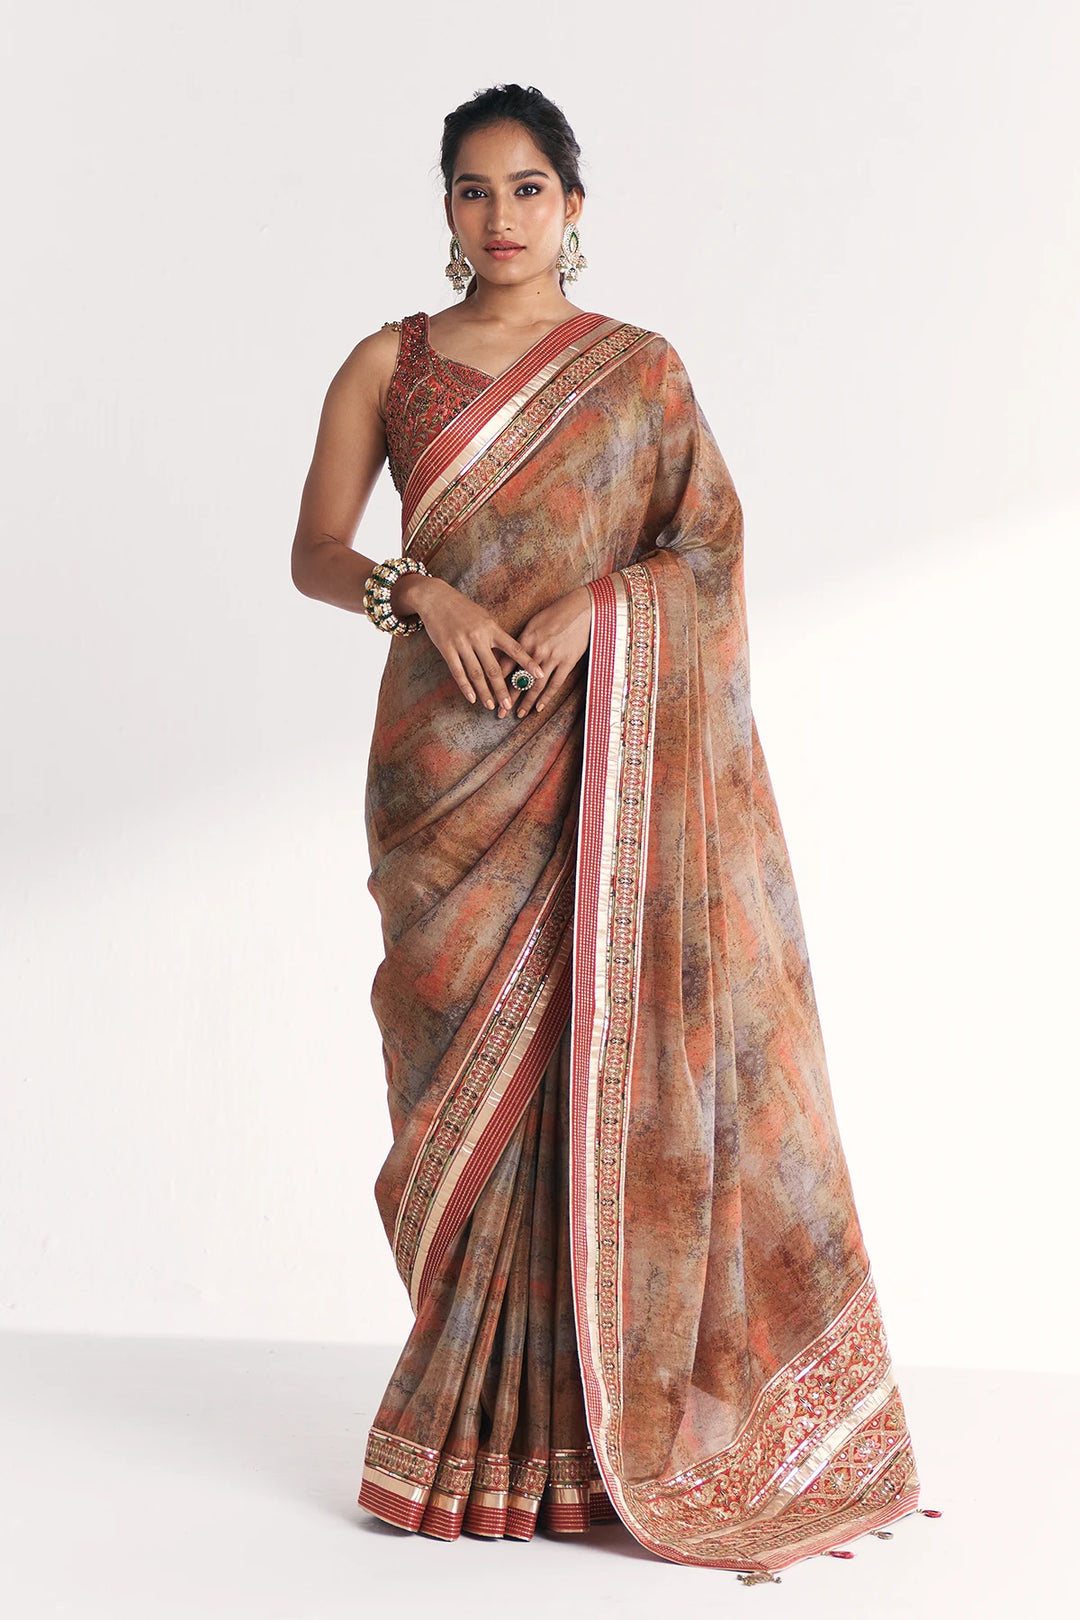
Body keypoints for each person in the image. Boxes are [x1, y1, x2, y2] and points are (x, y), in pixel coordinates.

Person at [290, 82, 923, 1581]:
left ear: (573, 205)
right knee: (454, 1090)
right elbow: (315, 550)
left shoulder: (639, 374)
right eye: (472, 190)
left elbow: (705, 548)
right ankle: (470, 1434)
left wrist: (605, 606)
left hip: (598, 758)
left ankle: (590, 1438)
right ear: (446, 209)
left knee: (599, 1067)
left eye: (527, 189)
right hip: (442, 770)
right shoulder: (388, 364)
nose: (499, 216)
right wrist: (417, 593)